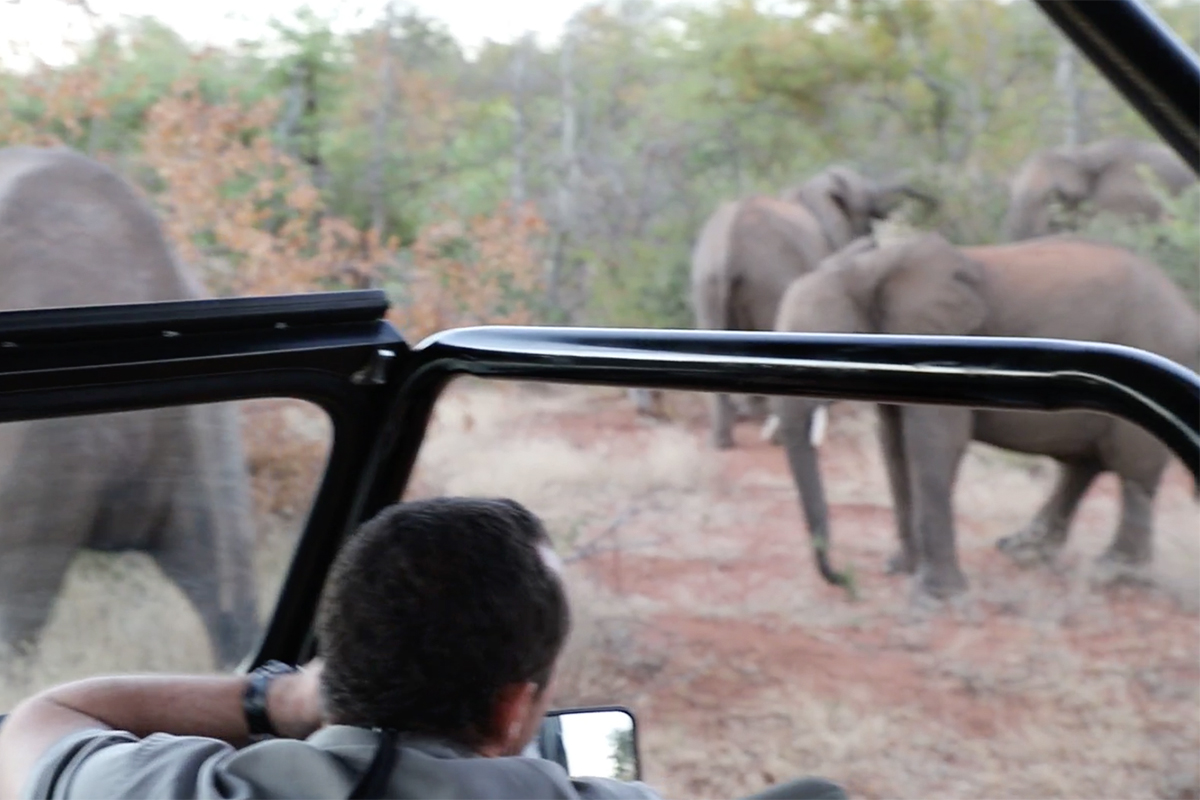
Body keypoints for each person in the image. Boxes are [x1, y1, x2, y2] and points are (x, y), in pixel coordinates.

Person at [0, 496, 847, 800]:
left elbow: (44, 715)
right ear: (514, 707)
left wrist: (279, 699)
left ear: (340, 669)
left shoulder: (190, 791)